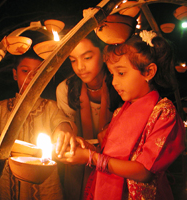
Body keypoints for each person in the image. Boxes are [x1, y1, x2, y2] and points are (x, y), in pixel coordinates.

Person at [57, 30, 186, 200]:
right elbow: (112, 157)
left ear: (148, 72)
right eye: (112, 74)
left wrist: (92, 157)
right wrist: (87, 149)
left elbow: (144, 172)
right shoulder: (121, 111)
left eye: (121, 73)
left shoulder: (163, 113)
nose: (115, 81)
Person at [0, 50, 77, 200]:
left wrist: (64, 128)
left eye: (38, 72)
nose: (30, 77)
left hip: (44, 184)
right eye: (25, 71)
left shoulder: (50, 107)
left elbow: (62, 123)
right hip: (6, 182)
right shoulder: (1, 108)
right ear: (15, 74)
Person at [56, 31, 122, 200]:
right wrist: (64, 129)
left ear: (104, 53)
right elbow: (66, 122)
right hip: (78, 170)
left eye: (87, 58)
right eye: (73, 60)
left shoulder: (121, 85)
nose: (80, 67)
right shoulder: (65, 89)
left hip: (118, 168)